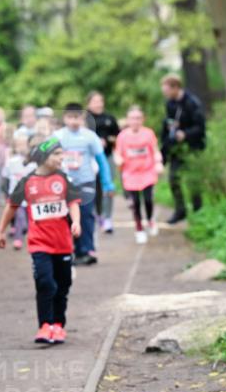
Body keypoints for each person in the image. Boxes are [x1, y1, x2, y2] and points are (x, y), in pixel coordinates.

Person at [0, 138, 81, 345]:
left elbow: (73, 203)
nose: (62, 158)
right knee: (44, 283)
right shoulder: (27, 182)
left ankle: (58, 325)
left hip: (62, 243)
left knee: (62, 285)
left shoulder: (63, 179)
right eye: (57, 154)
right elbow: (12, 206)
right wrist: (0, 231)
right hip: (39, 242)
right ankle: (45, 325)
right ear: (44, 157)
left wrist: (76, 221)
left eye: (62, 153)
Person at [54, 103, 114, 265]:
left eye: (77, 117)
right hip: (64, 184)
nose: (74, 121)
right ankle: (70, 250)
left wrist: (107, 182)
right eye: (71, 117)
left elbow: (101, 160)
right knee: (66, 217)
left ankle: (87, 250)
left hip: (86, 182)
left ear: (82, 118)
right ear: (65, 118)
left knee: (86, 215)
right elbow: (43, 152)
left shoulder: (90, 136)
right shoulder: (57, 136)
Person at [160, 74, 206, 224]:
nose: (164, 92)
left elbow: (201, 128)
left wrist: (185, 134)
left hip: (193, 148)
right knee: (174, 178)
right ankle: (180, 210)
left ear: (175, 88)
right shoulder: (170, 104)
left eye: (166, 89)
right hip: (176, 149)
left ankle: (198, 211)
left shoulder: (192, 103)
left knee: (193, 181)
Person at [114, 105, 163, 244]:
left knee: (148, 200)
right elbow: (118, 153)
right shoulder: (122, 136)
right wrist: (118, 159)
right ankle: (139, 229)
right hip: (130, 174)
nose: (135, 121)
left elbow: (155, 151)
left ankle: (150, 219)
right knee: (135, 203)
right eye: (132, 118)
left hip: (147, 171)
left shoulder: (148, 133)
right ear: (128, 120)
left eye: (138, 118)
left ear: (142, 119)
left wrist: (158, 162)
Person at [85, 91, 120, 235]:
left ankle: (107, 218)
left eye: (101, 101)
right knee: (93, 190)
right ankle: (95, 215)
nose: (99, 104)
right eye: (95, 101)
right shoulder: (84, 118)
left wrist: (107, 141)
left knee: (108, 188)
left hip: (107, 157)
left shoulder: (109, 118)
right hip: (89, 160)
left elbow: (118, 136)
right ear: (88, 103)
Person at [2, 132, 33, 250]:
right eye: (19, 145)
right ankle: (18, 239)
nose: (22, 148)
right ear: (15, 147)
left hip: (30, 197)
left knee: (29, 218)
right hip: (16, 196)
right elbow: (5, 177)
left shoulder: (33, 163)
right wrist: (6, 193)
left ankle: (31, 237)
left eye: (24, 145)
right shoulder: (11, 162)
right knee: (20, 218)